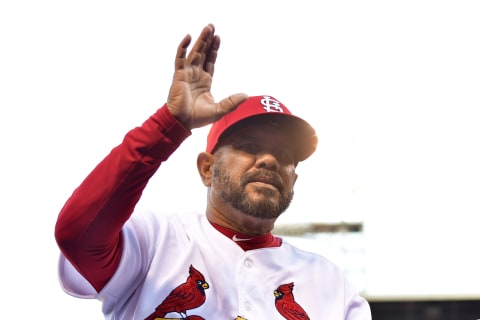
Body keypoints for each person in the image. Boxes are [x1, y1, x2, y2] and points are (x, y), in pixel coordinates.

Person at [54, 23, 372, 320]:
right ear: (207, 169)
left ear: (294, 180)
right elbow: (78, 234)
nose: (269, 160)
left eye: (283, 154)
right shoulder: (154, 242)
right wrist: (168, 125)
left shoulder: (333, 287)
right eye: (249, 145)